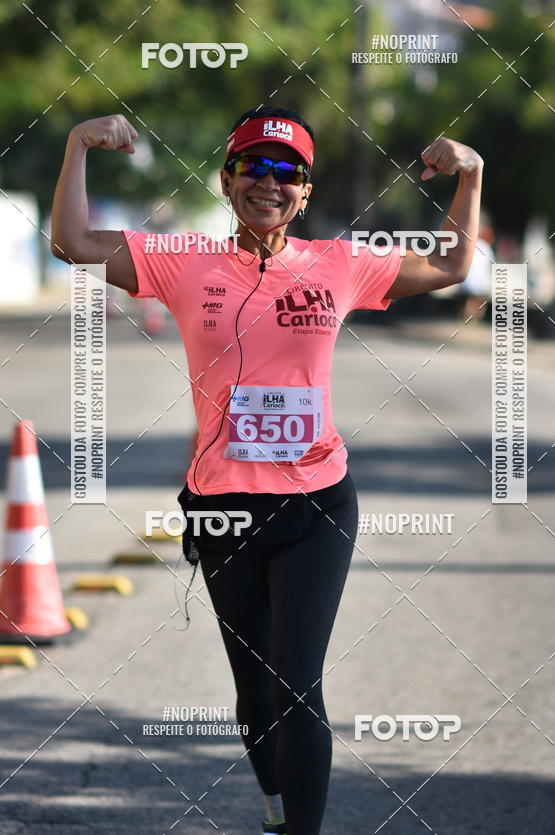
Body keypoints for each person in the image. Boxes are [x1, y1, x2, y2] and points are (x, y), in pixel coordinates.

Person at [50, 107, 483, 835]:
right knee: (254, 687)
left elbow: (450, 264)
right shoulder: (184, 260)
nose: (270, 183)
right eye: (254, 166)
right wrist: (76, 146)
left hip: (317, 505)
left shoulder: (339, 264)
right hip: (225, 509)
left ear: (305, 193)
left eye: (289, 173)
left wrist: (469, 175)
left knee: (296, 685)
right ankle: (276, 810)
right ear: (226, 180)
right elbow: (71, 241)